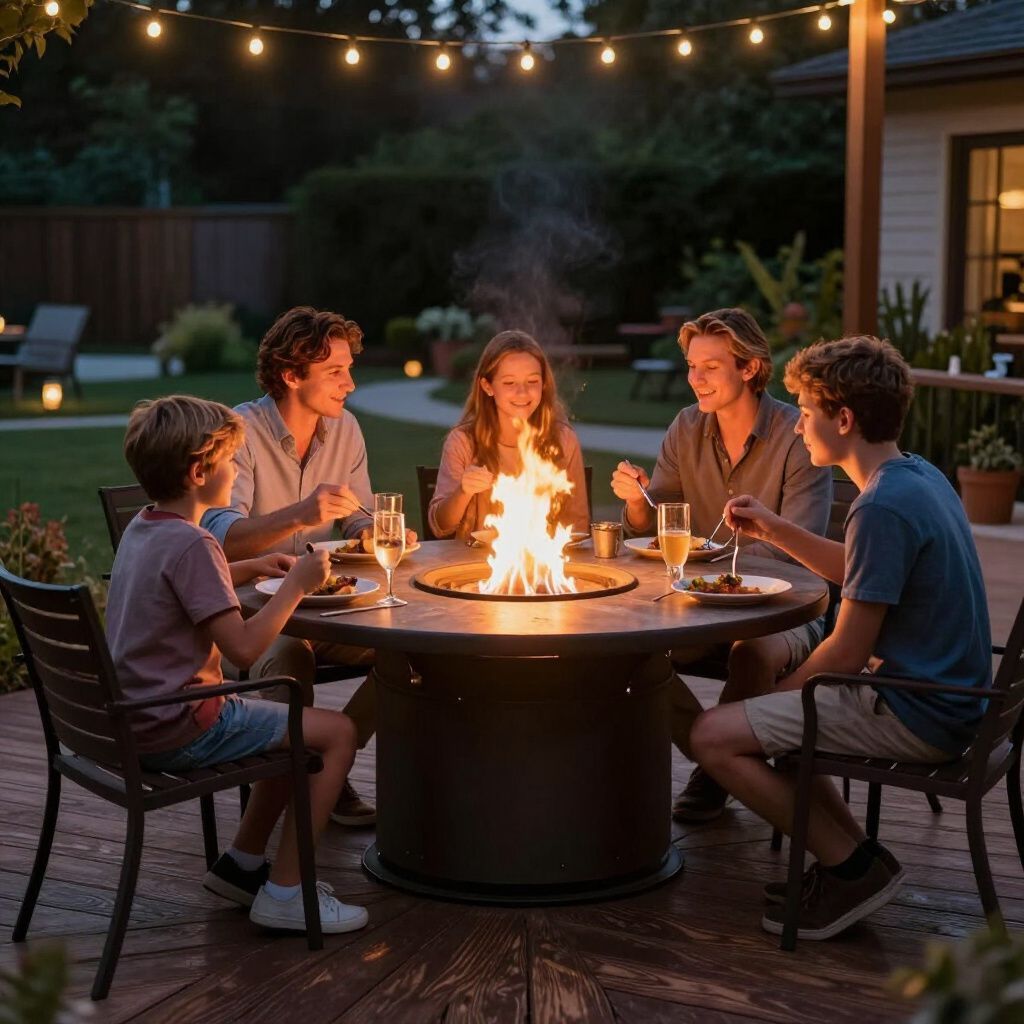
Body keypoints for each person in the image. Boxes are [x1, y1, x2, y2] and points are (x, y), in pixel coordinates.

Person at [690, 335, 991, 940]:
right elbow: (862, 564)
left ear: (844, 419)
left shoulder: (880, 507)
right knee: (775, 722)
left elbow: (848, 653)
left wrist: (775, 697)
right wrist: (774, 531)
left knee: (713, 736)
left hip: (918, 709)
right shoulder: (917, 477)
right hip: (951, 696)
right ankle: (858, 860)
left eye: (805, 412)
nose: (797, 427)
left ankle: (850, 867)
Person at [107, 395, 368, 934]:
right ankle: (287, 894)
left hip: (138, 716)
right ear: (200, 471)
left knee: (282, 726)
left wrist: (249, 567)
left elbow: (187, 579)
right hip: (179, 724)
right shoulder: (195, 545)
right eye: (230, 461)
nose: (235, 471)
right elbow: (246, 648)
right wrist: (296, 586)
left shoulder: (146, 527)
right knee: (336, 733)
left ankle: (242, 866)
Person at [610, 308, 832, 822]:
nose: (696, 379)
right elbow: (655, 529)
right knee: (626, 651)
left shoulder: (795, 435)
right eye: (691, 366)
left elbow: (795, 552)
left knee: (751, 655)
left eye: (711, 366)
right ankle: (716, 756)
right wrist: (639, 500)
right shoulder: (686, 427)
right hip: (698, 604)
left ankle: (713, 776)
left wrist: (705, 558)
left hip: (786, 610)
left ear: (749, 368)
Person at [203, 306, 415, 827]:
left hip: (326, 603)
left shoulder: (345, 431)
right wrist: (302, 512)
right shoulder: (241, 431)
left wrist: (371, 532)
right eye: (335, 372)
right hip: (250, 618)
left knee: (412, 654)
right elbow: (220, 537)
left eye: (349, 368)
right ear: (291, 374)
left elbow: (357, 514)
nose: (351, 383)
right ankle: (280, 807)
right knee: (290, 662)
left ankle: (322, 765)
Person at [429, 330, 589, 541]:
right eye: (509, 383)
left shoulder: (563, 440)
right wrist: (464, 492)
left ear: (544, 384)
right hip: (476, 566)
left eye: (532, 381)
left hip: (543, 566)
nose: (522, 392)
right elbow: (440, 525)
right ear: (487, 386)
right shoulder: (463, 442)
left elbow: (578, 523)